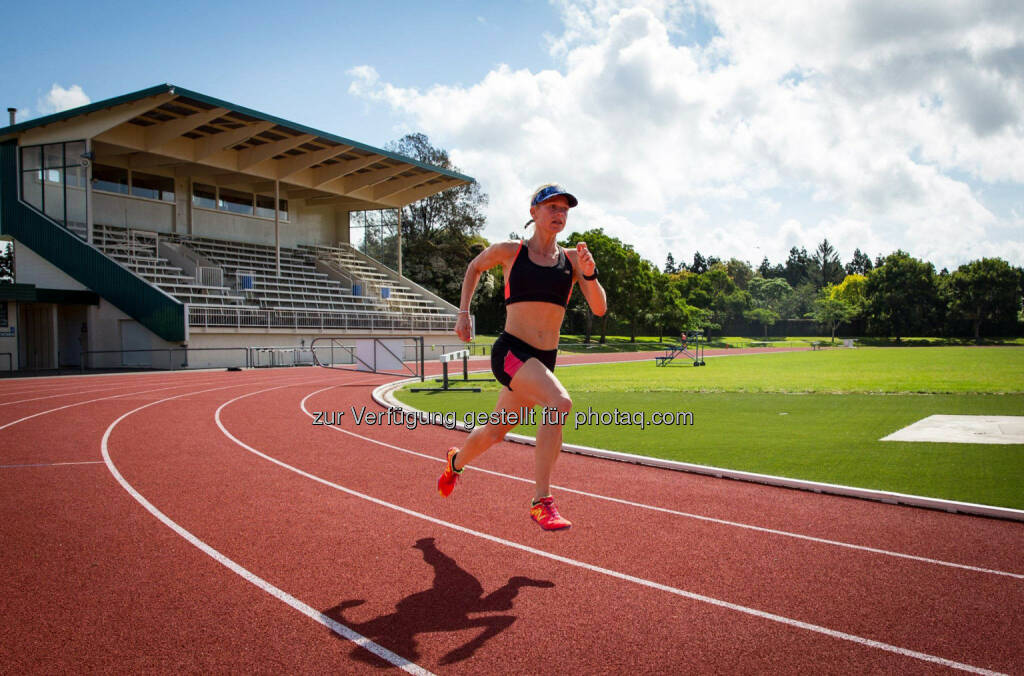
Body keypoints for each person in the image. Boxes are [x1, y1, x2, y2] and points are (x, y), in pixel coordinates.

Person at [437, 184, 607, 530]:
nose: (559, 214)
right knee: (559, 403)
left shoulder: (573, 259)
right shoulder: (510, 251)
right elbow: (474, 267)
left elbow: (600, 308)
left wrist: (588, 273)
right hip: (512, 352)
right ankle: (541, 501)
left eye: (565, 210)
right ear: (534, 212)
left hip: (543, 361)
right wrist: (463, 313)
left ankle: (455, 462)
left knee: (495, 431)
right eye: (552, 207)